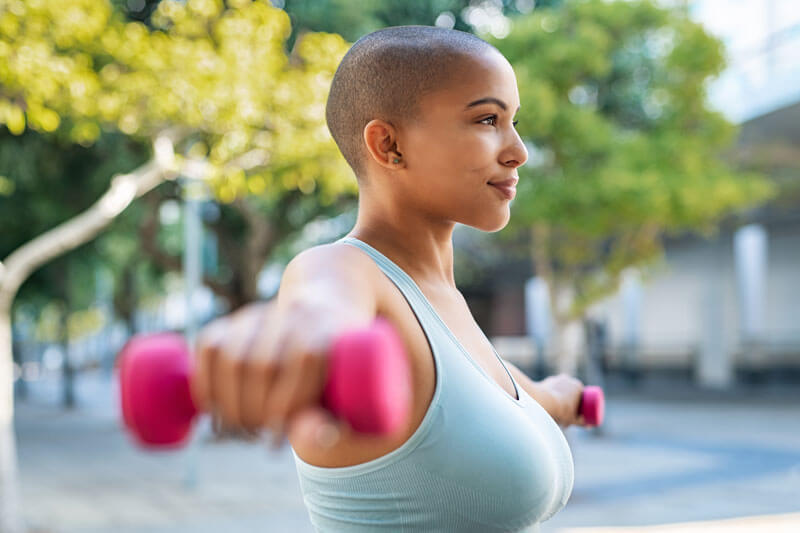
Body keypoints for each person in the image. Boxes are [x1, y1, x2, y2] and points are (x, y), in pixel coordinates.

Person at [190, 25, 587, 532]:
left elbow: (511, 392)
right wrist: (290, 338)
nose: (518, 151)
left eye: (513, 121)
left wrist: (562, 398)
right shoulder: (343, 271)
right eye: (488, 119)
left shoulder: (441, 301)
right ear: (389, 144)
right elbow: (321, 307)